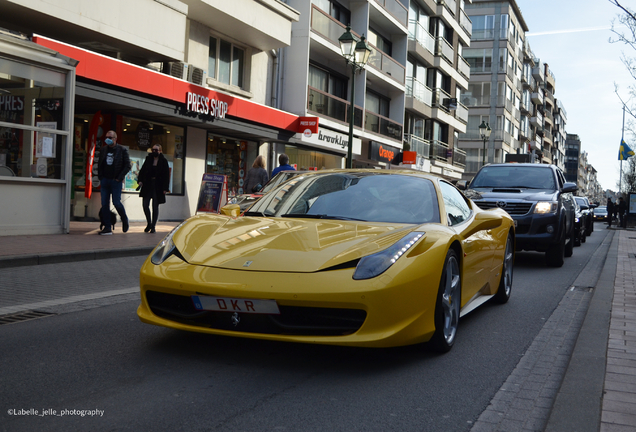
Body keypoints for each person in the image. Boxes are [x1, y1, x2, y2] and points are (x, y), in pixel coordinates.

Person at [97, 130, 130, 235]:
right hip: (105, 180)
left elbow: (127, 166)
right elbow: (100, 164)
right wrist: (101, 176)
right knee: (104, 204)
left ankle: (124, 218)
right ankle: (107, 227)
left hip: (115, 181)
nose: (108, 139)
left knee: (116, 202)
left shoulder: (122, 150)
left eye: (110, 137)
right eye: (107, 137)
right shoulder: (103, 150)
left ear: (115, 139)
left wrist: (119, 178)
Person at [138, 144, 170, 233]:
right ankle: (149, 222)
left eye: (156, 150)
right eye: (153, 150)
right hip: (148, 184)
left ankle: (153, 226)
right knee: (145, 204)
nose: (154, 152)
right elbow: (143, 170)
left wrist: (165, 188)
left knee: (155, 206)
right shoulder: (148, 159)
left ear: (160, 151)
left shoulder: (163, 161)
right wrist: (140, 180)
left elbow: (166, 175)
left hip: (158, 186)